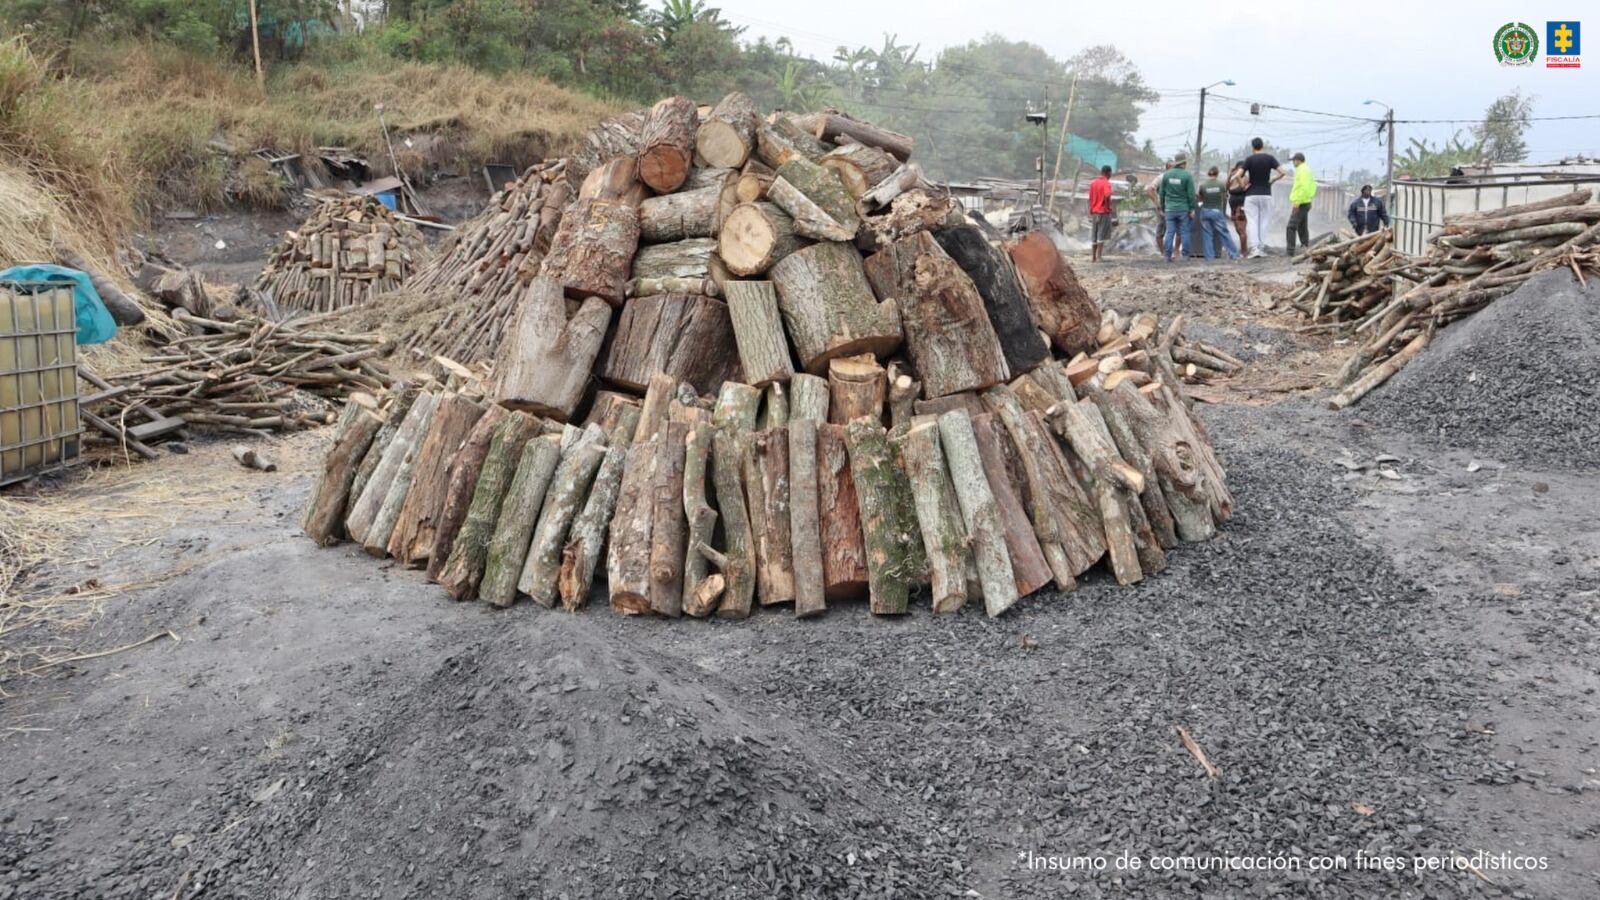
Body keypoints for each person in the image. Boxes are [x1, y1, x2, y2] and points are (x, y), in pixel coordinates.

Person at [1241, 137, 1287, 258]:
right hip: (1266, 194)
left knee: (1252, 221)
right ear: (1263, 146)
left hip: (1251, 195)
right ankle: (1261, 247)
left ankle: (1254, 248)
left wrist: (1243, 185)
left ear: (1252, 147)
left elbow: (1237, 175)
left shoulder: (1249, 159)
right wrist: (1272, 180)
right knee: (1264, 221)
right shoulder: (1270, 158)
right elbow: (1283, 172)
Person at [1157, 152, 1196, 262]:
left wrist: (1163, 207)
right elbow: (1191, 194)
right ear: (1184, 162)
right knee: (1184, 232)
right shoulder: (1187, 175)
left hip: (1169, 209)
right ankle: (1185, 256)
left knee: (1170, 232)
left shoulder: (1167, 175)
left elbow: (1161, 193)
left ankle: (1167, 256)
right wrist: (1192, 208)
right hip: (1183, 209)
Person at [1196, 166, 1241, 260]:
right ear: (1217, 173)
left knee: (1207, 234)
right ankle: (1234, 254)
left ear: (1209, 173)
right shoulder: (1220, 184)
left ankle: (1209, 257)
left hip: (1205, 211)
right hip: (1217, 211)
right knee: (1224, 233)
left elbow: (1200, 197)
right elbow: (1225, 197)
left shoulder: (1203, 185)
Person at [1286, 151, 1316, 255]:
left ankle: (1290, 251)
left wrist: (1298, 201)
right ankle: (1305, 245)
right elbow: (1312, 186)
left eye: (1293, 160)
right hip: (1305, 201)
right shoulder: (1306, 169)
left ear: (1298, 160)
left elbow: (1303, 187)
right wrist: (1309, 198)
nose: (1293, 163)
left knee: (1291, 226)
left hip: (1301, 202)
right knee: (1302, 225)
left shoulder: (1302, 170)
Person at [1088, 165, 1116, 262]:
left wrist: (1091, 209)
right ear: (1108, 173)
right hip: (1103, 212)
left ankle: (1093, 257)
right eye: (1110, 173)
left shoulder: (1093, 183)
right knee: (1101, 234)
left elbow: (1090, 198)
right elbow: (1107, 195)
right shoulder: (1106, 183)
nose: (1111, 175)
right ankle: (1099, 257)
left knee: (1094, 235)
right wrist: (1107, 205)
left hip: (1094, 212)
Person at [1226, 160, 1250, 256]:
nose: (1241, 171)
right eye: (1239, 169)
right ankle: (1243, 249)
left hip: (1241, 206)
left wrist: (1238, 176)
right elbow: (1226, 188)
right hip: (1233, 207)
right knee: (1237, 229)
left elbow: (1244, 187)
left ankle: (1244, 252)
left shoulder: (1245, 178)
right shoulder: (1232, 179)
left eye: (1243, 169)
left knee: (1241, 228)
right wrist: (1229, 175)